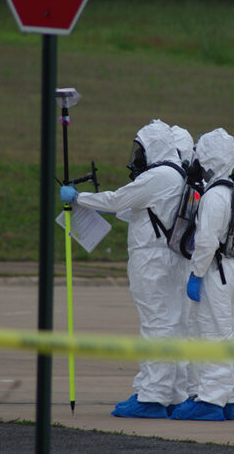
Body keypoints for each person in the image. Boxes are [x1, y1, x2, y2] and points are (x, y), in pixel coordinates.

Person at [60, 119, 189, 418]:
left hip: (153, 262)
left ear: (153, 147)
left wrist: (79, 198)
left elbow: (118, 200)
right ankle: (169, 392)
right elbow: (138, 211)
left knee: (155, 326)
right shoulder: (177, 175)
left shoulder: (158, 176)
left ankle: (152, 397)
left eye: (140, 150)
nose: (137, 157)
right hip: (169, 260)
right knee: (169, 326)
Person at [170, 128, 234, 422]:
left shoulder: (214, 196)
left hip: (215, 272)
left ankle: (210, 401)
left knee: (211, 334)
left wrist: (196, 274)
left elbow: (205, 242)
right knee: (230, 336)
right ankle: (232, 399)